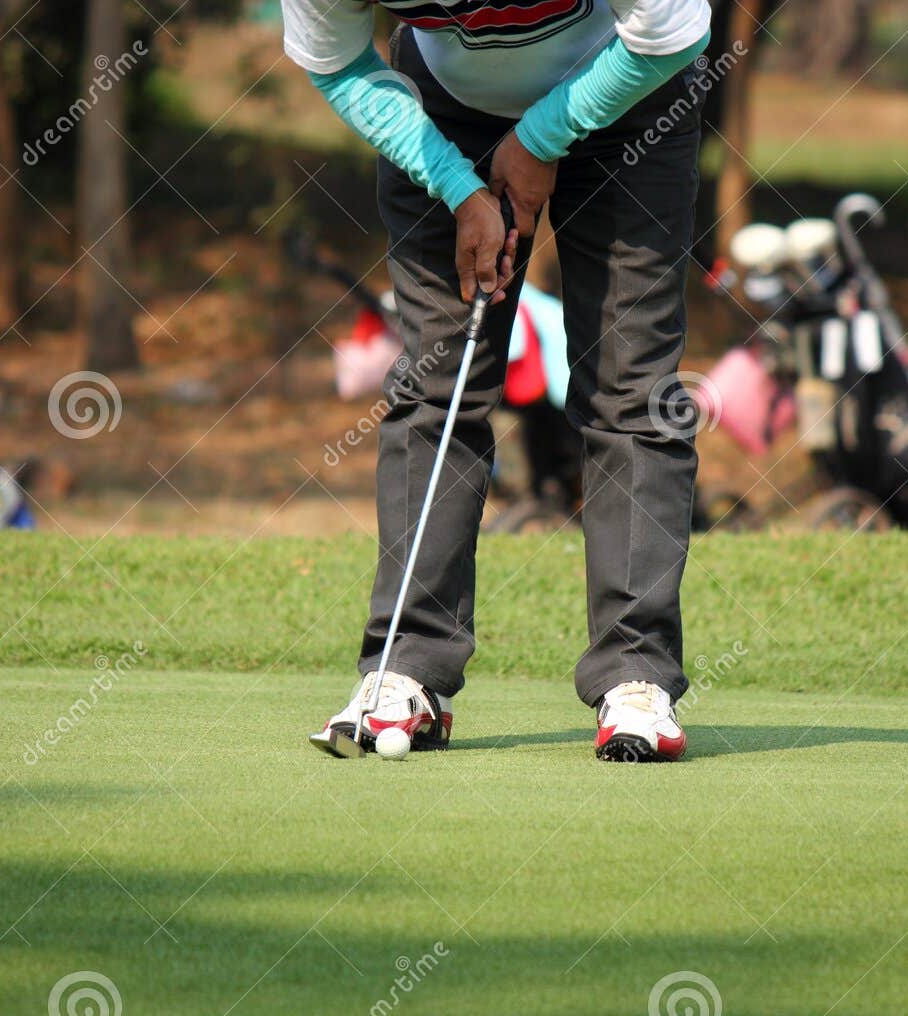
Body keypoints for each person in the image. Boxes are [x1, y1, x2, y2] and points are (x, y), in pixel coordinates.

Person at [292, 0, 711, 761]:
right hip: (445, 111)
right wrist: (458, 186)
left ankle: (636, 677)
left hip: (631, 92)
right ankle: (406, 671)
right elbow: (337, 63)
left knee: (630, 387)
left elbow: (671, 32)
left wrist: (539, 139)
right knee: (436, 386)